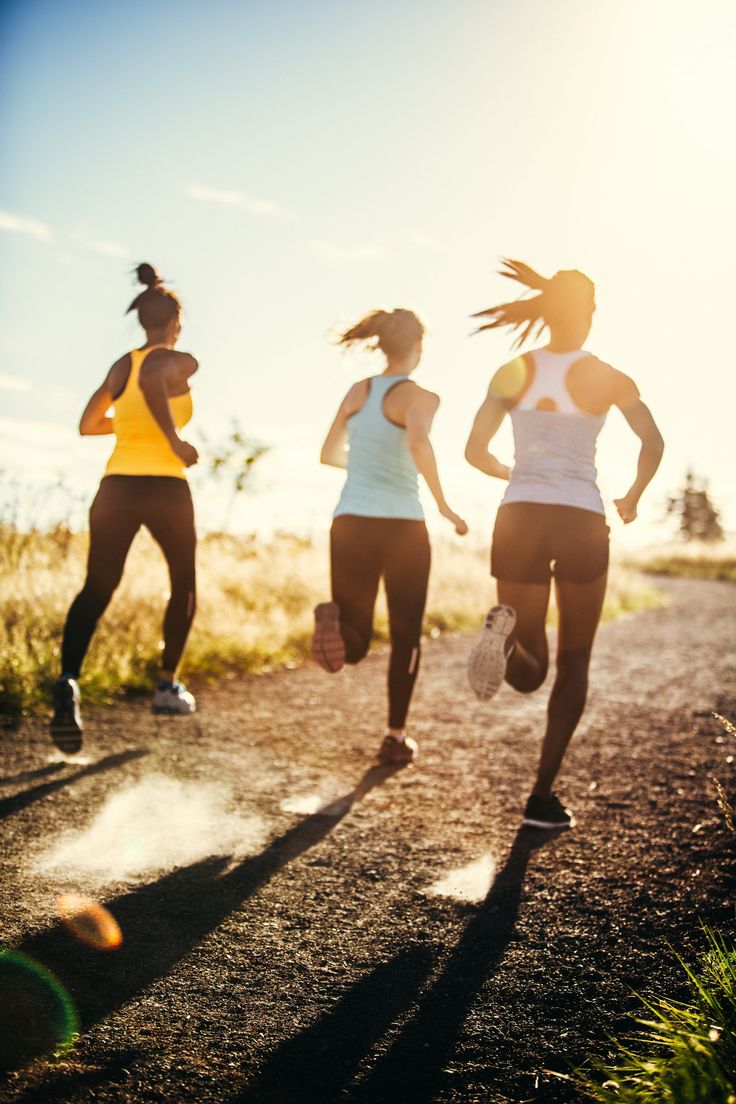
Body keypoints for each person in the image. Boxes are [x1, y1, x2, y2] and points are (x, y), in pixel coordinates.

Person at [464, 259, 664, 829]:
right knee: (574, 660)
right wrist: (632, 496)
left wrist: (515, 474)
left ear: (545, 313)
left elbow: (473, 450)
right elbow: (653, 441)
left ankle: (504, 641)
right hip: (580, 516)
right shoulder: (608, 375)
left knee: (529, 666)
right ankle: (541, 798)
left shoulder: (513, 371)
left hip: (521, 513)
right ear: (591, 313)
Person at [50, 263, 200, 754]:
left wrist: (132, 426)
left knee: (99, 584)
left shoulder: (122, 365)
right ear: (176, 322)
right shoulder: (177, 360)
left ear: (143, 321)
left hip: (116, 485)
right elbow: (157, 381)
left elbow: (89, 424)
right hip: (163, 485)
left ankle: (69, 678)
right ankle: (165, 686)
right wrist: (173, 440)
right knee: (183, 582)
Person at [313, 308, 468, 764]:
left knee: (355, 636)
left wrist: (364, 467)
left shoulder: (356, 392)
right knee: (406, 636)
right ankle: (395, 736)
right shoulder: (422, 397)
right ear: (418, 348)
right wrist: (443, 504)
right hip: (402, 524)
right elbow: (419, 443)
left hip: (350, 521)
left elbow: (327, 454)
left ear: (381, 346)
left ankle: (333, 623)